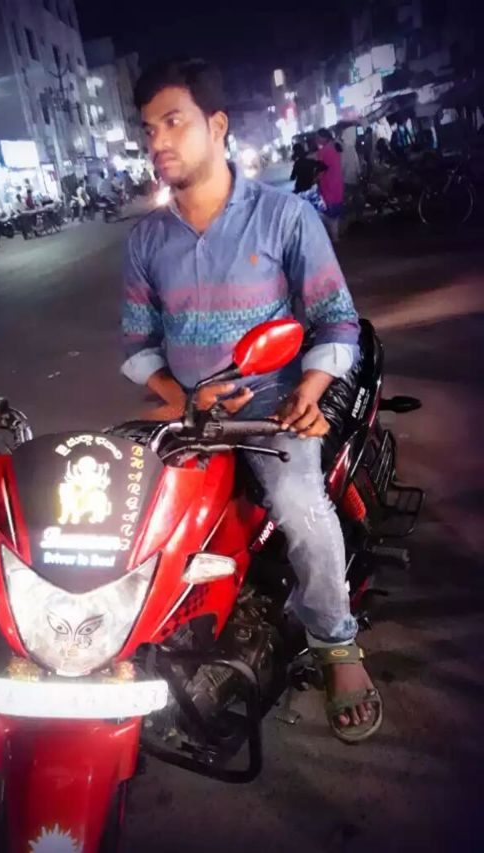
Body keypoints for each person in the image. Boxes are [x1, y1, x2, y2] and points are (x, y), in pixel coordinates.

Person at [121, 58, 381, 742]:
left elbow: (337, 321)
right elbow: (137, 342)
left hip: (272, 407)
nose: (158, 141)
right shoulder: (146, 240)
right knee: (124, 512)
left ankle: (337, 644)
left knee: (301, 509)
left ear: (216, 126)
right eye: (148, 129)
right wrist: (177, 394)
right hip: (189, 413)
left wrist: (310, 389)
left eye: (173, 122)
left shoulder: (285, 217)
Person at [315, 128, 344, 242]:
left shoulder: (323, 152)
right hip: (337, 187)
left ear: (324, 138)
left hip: (328, 189)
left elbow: (319, 172)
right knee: (335, 217)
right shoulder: (335, 148)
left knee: (325, 216)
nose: (317, 140)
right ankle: (336, 238)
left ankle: (331, 240)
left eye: (318, 137)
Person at [340, 126, 363, 229]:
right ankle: (355, 220)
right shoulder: (350, 149)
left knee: (349, 200)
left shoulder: (346, 149)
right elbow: (356, 165)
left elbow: (342, 166)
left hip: (347, 179)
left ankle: (351, 221)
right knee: (354, 200)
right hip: (352, 179)